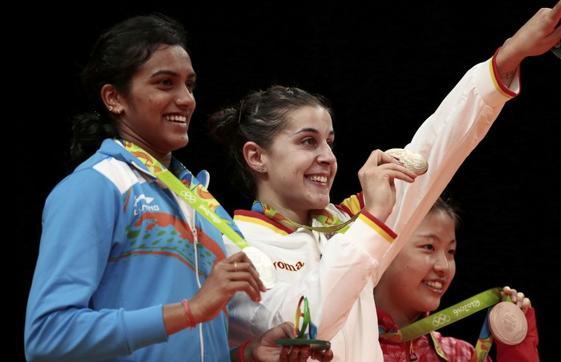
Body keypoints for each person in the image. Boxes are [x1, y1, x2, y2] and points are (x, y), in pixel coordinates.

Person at [210, 1, 561, 360]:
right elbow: (306, 329)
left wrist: (508, 58)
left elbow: (434, 152)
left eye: (329, 142)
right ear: (257, 156)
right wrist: (371, 221)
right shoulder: (231, 244)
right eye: (308, 141)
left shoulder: (343, 227)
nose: (327, 157)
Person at [24, 14, 332, 362]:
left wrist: (246, 354)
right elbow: (47, 335)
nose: (186, 99)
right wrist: (190, 309)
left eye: (189, 84)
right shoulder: (95, 186)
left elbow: (192, 340)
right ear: (114, 98)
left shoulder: (200, 203)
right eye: (165, 83)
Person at [375, 198, 539, 361]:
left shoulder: (461, 356)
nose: (444, 266)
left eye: (451, 251)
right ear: (384, 250)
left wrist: (516, 346)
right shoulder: (350, 338)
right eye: (429, 247)